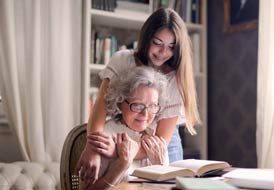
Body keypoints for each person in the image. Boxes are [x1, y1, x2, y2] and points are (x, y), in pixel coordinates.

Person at [77, 7, 201, 185]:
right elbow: (100, 110)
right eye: (157, 42)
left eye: (171, 47)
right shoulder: (122, 60)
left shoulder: (175, 79)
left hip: (160, 142)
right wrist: (93, 149)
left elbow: (160, 141)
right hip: (123, 131)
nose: (162, 52)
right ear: (147, 38)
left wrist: (116, 151)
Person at [79, 67, 169, 190]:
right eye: (137, 105)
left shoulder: (155, 140)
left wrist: (161, 167)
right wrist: (121, 166)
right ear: (120, 102)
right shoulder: (104, 137)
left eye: (152, 106)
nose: (145, 114)